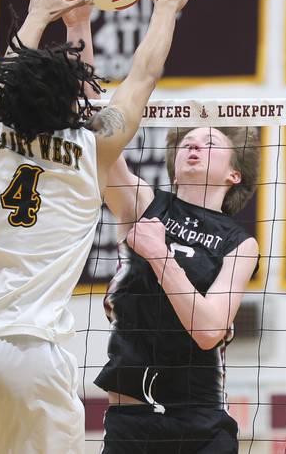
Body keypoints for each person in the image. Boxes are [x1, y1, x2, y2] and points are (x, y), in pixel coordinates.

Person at [0, 0, 215, 454]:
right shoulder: (91, 148)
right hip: (28, 352)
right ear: (75, 102)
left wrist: (42, 14)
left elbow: (2, 82)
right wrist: (168, 7)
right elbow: (142, 78)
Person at [94, 124, 261, 453]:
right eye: (187, 143)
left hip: (200, 422)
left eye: (209, 143)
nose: (194, 147)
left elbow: (209, 329)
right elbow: (103, 148)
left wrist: (159, 254)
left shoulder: (240, 243)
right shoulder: (145, 203)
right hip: (131, 419)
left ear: (234, 174)